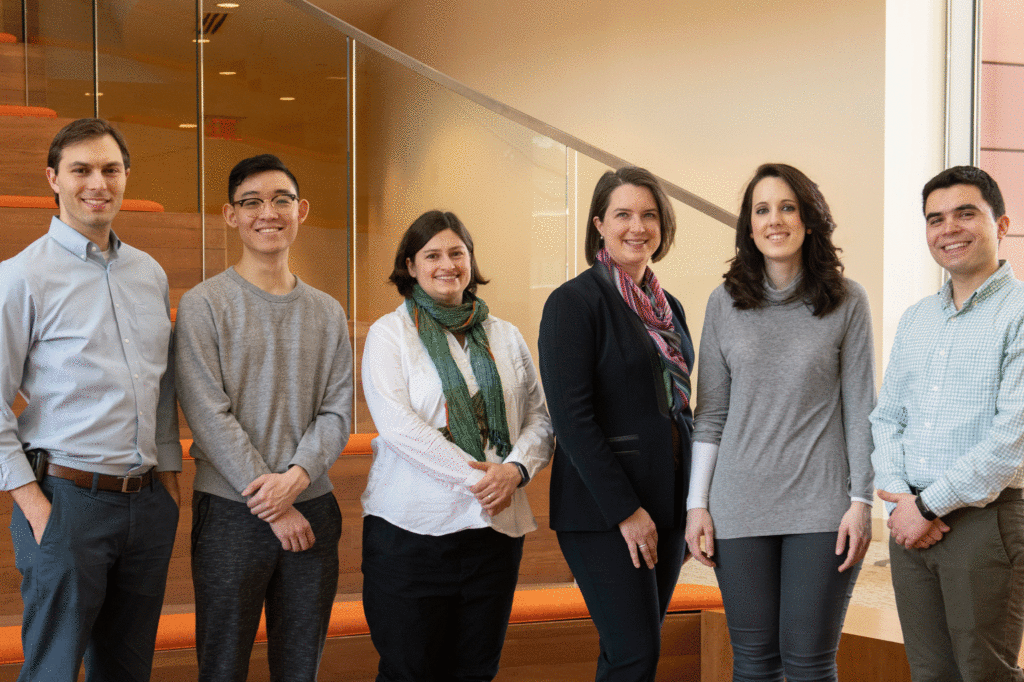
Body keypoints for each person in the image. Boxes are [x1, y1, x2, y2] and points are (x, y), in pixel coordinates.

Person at [0, 118, 181, 681]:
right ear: (53, 178)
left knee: (128, 671)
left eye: (110, 168)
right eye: (81, 170)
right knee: (54, 670)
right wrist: (36, 507)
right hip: (66, 500)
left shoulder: (148, 273)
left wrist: (169, 485)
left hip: (146, 504)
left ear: (127, 176)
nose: (97, 182)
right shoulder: (21, 276)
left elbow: (159, 386)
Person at [685, 163, 875, 681]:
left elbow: (861, 407)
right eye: (762, 210)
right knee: (753, 663)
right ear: (749, 226)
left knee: (810, 664)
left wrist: (861, 503)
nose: (775, 220)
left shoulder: (846, 300)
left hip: (821, 507)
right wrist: (696, 505)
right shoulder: (723, 303)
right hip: (738, 506)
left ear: (808, 220)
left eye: (788, 207)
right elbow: (711, 414)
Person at [175, 154, 352, 682]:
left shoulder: (328, 311)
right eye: (251, 203)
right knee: (222, 667)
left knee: (301, 668)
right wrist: (272, 504)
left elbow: (337, 411)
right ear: (231, 216)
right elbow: (207, 413)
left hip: (313, 507)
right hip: (232, 512)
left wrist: (294, 483)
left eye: (280, 201)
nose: (266, 213)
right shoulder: (203, 304)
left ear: (301, 211)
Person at [360, 209, 553, 682]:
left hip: (493, 533)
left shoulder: (504, 336)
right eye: (432, 254)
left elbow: (541, 418)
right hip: (410, 534)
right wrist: (480, 478)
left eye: (457, 253)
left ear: (470, 261)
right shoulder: (390, 334)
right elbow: (399, 428)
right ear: (410, 265)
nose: (447, 264)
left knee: (476, 671)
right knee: (409, 672)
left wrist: (515, 471)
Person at [539, 166, 694, 682]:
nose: (637, 226)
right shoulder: (573, 303)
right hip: (605, 511)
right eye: (623, 214)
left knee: (629, 651)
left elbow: (681, 410)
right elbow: (572, 420)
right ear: (599, 224)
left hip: (668, 500)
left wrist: (695, 501)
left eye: (649, 215)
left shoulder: (668, 307)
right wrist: (627, 511)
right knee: (634, 654)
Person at [871, 166, 1024, 682]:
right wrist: (899, 496)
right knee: (929, 671)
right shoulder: (918, 318)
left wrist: (928, 506)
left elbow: (1012, 440)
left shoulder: (1020, 312)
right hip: (910, 523)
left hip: (986, 522)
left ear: (1000, 225)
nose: (948, 228)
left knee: (985, 672)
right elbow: (887, 416)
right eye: (935, 219)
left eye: (966, 213)